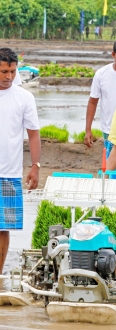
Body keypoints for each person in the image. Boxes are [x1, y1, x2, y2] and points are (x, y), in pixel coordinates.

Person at [0, 48, 41, 275]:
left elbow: (33, 134)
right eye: (4, 71)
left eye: (13, 71)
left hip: (9, 172)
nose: (9, 77)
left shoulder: (24, 97)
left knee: (3, 226)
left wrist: (35, 166)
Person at [84, 39, 116, 166]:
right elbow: (93, 102)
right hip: (109, 129)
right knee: (112, 167)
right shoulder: (101, 74)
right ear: (113, 54)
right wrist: (88, 130)